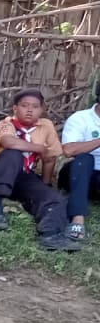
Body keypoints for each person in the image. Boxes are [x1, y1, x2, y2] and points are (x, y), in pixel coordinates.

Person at [0, 89, 79, 251]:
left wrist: (45, 184)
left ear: (41, 110)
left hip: (23, 176)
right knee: (13, 154)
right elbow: (10, 143)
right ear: (15, 108)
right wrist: (40, 148)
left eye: (35, 106)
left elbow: (49, 158)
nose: (30, 110)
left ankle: (50, 234)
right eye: (24, 106)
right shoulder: (6, 124)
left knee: (53, 198)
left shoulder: (46, 126)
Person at [60, 83, 100, 241]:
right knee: (85, 158)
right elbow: (69, 150)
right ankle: (77, 219)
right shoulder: (81, 118)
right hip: (78, 174)